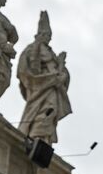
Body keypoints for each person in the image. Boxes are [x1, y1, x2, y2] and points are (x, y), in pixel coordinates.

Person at [17, 11, 71, 144]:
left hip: (53, 86)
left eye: (50, 36)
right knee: (45, 110)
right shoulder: (33, 48)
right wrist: (37, 46)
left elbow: (59, 71)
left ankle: (44, 139)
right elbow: (32, 69)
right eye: (47, 35)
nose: (49, 38)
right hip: (41, 86)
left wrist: (61, 66)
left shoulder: (51, 53)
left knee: (51, 110)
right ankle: (36, 135)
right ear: (39, 34)